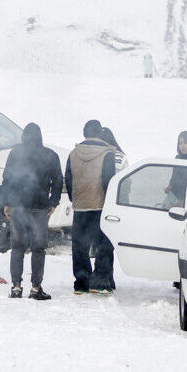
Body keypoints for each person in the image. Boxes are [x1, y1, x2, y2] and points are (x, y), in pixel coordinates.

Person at [1, 123, 63, 300]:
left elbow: (7, 179)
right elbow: (58, 181)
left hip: (18, 206)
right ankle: (36, 288)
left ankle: (16, 287)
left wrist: (7, 202)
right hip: (39, 207)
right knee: (38, 248)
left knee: (17, 247)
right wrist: (53, 202)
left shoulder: (15, 153)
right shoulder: (50, 155)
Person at [64, 120, 120, 294]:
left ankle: (82, 282)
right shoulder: (106, 154)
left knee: (79, 245)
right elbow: (108, 180)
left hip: (80, 206)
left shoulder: (73, 153)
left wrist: (76, 198)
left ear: (84, 132)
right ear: (99, 133)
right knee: (104, 244)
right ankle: (100, 282)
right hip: (100, 205)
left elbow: (68, 177)